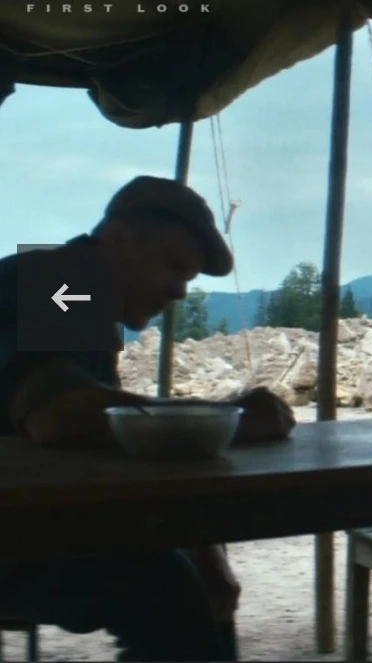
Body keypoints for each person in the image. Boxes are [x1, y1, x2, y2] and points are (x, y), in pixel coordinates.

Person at [0, 175, 298, 661]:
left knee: (199, 575)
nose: (180, 292)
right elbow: (57, 414)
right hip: (14, 534)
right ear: (118, 238)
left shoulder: (87, 305)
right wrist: (229, 417)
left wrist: (205, 549)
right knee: (162, 585)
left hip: (25, 519)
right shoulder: (58, 278)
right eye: (174, 267)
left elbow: (99, 430)